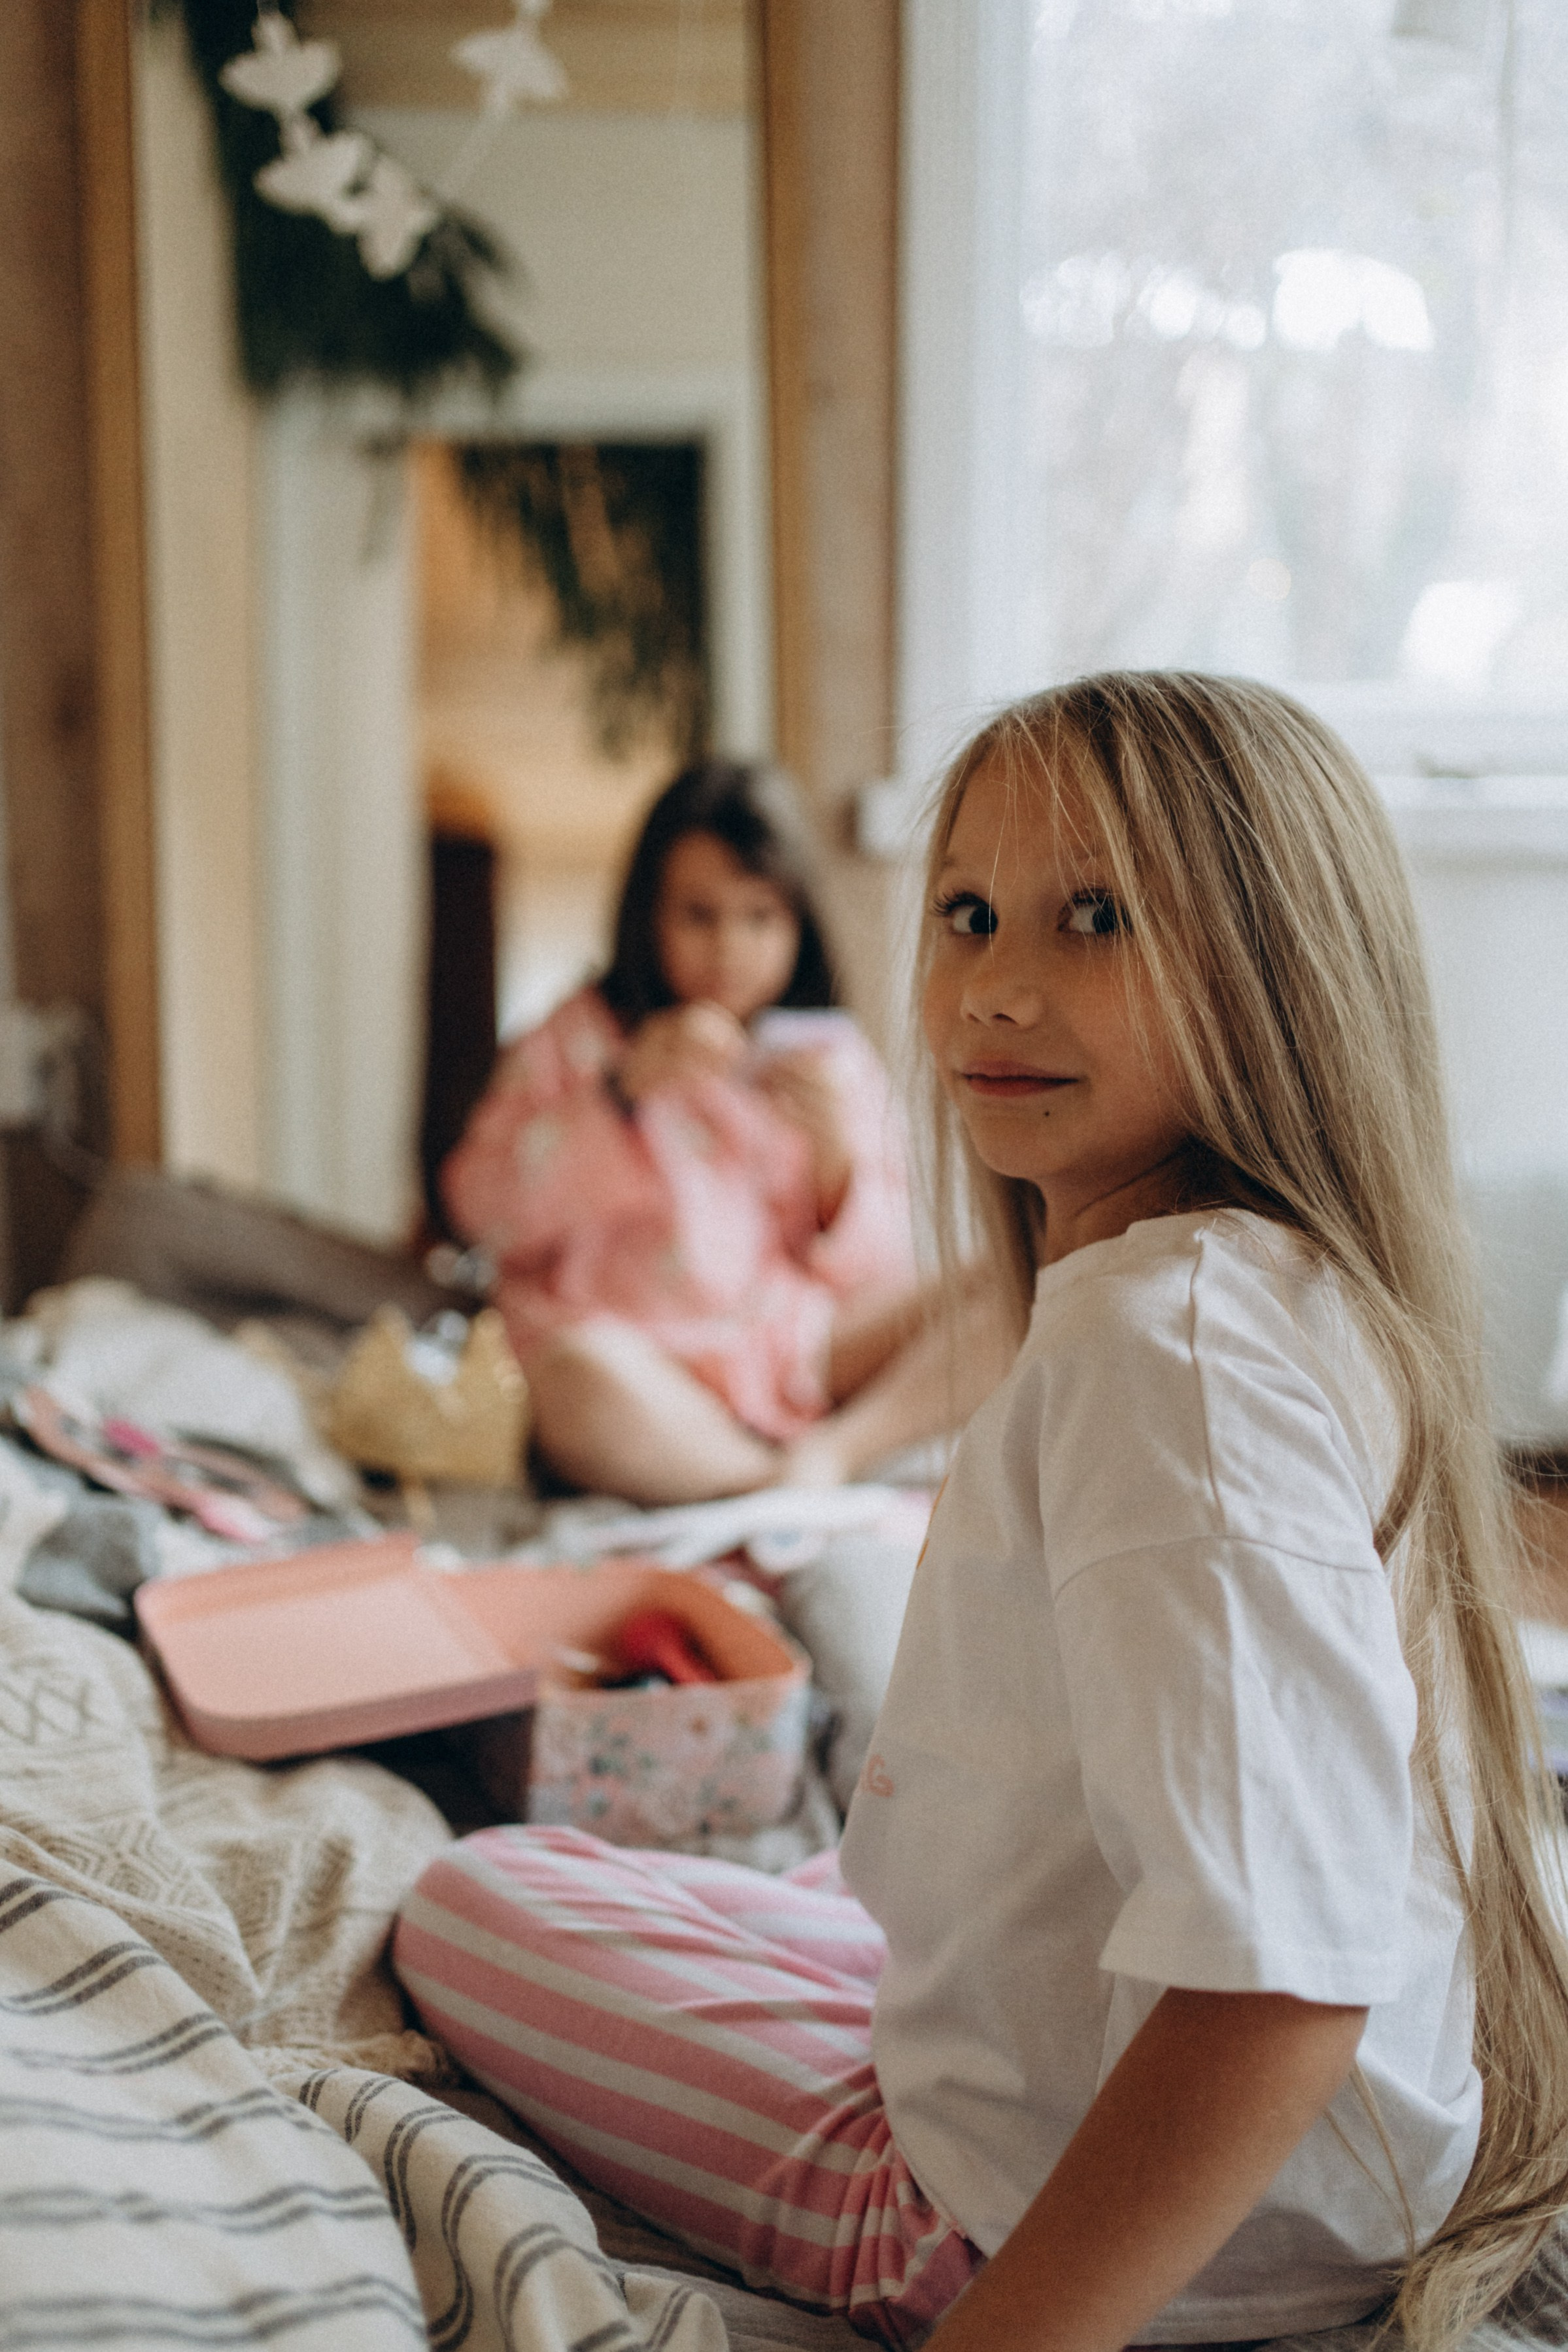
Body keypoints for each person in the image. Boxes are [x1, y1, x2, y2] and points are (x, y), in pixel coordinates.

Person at [395, 675, 1568, 2349]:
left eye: (1095, 914)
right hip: (1329, 2166)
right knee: (815, 1875)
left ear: (1273, 961)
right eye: (964, 913)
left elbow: (1284, 1980)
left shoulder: (1155, 1339)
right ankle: (861, 1886)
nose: (995, 985)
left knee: (476, 1897)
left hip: (1102, 2214)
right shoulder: (1275, 1287)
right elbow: (487, 1203)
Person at [443, 758, 1008, 1503]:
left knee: (1020, 1272)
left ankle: (837, 1455)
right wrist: (615, 1098)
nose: (729, 948)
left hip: (793, 1344)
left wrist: (837, 1165)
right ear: (648, 915)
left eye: (760, 917)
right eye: (698, 916)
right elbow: (480, 1214)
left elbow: (879, 1269)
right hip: (636, 1352)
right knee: (567, 1381)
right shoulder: (577, 1038)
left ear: (798, 924)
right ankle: (767, 1484)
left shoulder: (827, 1058)